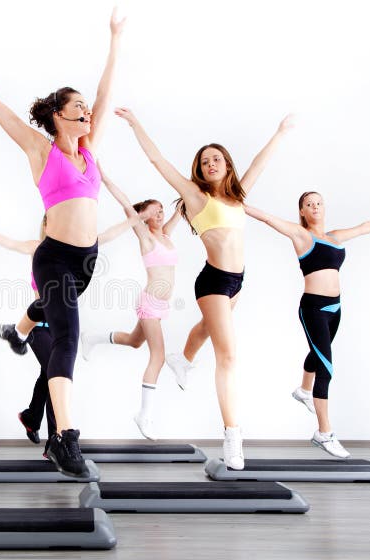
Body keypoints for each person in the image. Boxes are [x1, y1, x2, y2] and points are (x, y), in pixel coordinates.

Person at [0, 8, 125, 476]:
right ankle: (64, 438)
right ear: (58, 117)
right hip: (55, 257)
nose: (87, 111)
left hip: (87, 260)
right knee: (67, 337)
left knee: (54, 315)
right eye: (77, 107)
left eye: (87, 108)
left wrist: (115, 38)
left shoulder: (89, 153)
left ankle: (17, 332)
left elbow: (106, 94)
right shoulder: (42, 151)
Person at [115, 107, 294, 469]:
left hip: (237, 281)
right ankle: (232, 435)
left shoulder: (237, 196)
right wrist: (136, 124)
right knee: (228, 356)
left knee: (209, 329)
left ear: (227, 165)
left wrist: (279, 133)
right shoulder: (196, 198)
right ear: (199, 169)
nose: (211, 163)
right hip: (213, 280)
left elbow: (260, 163)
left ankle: (184, 359)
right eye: (205, 160)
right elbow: (157, 160)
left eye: (217, 158)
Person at [245, 193, 370, 457]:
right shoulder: (302, 236)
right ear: (302, 211)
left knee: (317, 352)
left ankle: (303, 390)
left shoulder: (334, 237)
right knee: (326, 367)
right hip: (313, 308)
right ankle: (324, 433)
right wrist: (236, 204)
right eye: (309, 204)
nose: (315, 206)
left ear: (324, 207)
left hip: (335, 308)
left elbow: (364, 227)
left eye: (319, 202)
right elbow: (268, 218)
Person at [0, 212, 140, 448]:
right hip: (38, 328)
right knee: (56, 376)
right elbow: (9, 243)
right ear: (47, 225)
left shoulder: (76, 247)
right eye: (52, 222)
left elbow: (106, 236)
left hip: (59, 326)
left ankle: (31, 417)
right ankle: (55, 441)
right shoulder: (38, 248)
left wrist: (135, 219)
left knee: (50, 374)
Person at [81, 169, 182, 440]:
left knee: (135, 341)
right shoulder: (146, 236)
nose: (160, 215)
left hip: (162, 306)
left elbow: (180, 210)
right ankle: (144, 416)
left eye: (161, 210)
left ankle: (92, 338)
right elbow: (126, 204)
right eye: (154, 212)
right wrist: (105, 176)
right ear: (145, 217)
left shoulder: (166, 235)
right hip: (150, 303)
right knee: (158, 356)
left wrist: (187, 196)